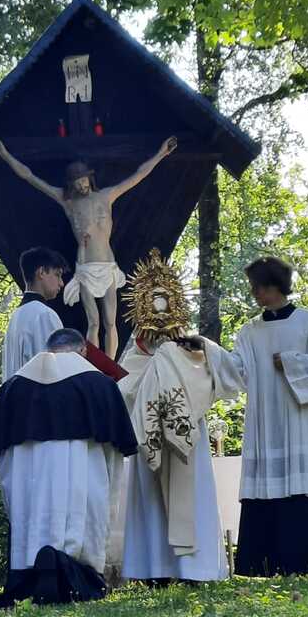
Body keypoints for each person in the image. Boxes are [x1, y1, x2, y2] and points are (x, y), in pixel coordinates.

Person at [0, 328, 137, 606]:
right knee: (84, 511)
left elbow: (3, 459)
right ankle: (77, 576)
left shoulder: (13, 387)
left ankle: (30, 574)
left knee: (30, 514)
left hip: (29, 485)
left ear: (49, 348)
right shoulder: (99, 385)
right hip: (82, 482)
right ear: (83, 351)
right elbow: (116, 452)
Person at [0, 134, 177, 358]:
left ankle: (111, 364)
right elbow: (31, 177)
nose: (81, 185)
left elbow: (138, 175)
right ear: (71, 185)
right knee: (93, 322)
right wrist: (4, 154)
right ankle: (92, 364)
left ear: (89, 178)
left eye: (83, 180)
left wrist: (161, 153)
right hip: (85, 267)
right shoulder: (68, 202)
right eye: (76, 182)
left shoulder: (106, 196)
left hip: (107, 264)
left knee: (110, 321)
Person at [119, 250, 240, 583]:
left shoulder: (193, 350)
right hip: (151, 441)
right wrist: (153, 379)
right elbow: (124, 391)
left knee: (193, 497)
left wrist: (195, 351)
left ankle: (195, 569)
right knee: (151, 503)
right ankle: (155, 569)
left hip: (187, 441)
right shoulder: (134, 358)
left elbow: (223, 375)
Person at [227, 255, 308, 576]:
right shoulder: (249, 332)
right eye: (253, 287)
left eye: (258, 286)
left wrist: (294, 362)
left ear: (275, 285)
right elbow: (235, 369)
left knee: (302, 489)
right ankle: (265, 565)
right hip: (266, 422)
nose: (254, 293)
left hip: (302, 420)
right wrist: (205, 354)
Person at [2, 245, 65, 381]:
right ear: (41, 272)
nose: (61, 283)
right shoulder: (44, 314)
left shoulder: (15, 317)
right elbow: (53, 370)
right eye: (57, 275)